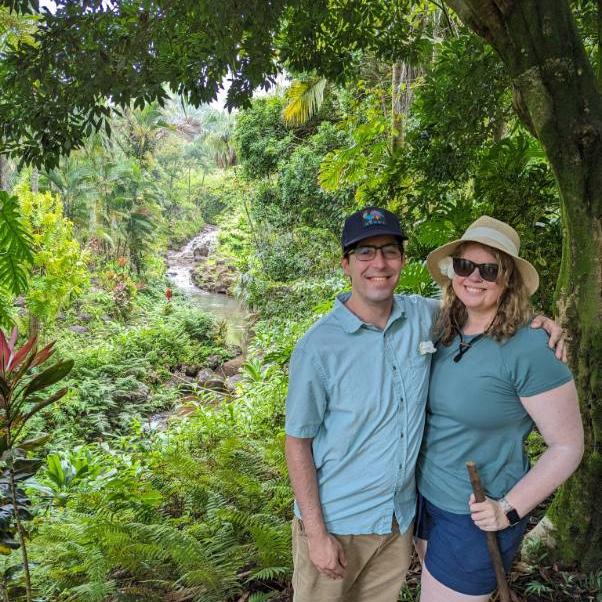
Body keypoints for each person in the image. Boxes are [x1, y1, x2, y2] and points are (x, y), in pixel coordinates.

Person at [285, 208, 564, 602]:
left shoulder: (424, 316)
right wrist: (316, 535)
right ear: (346, 264)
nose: (379, 263)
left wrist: (540, 324)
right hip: (338, 522)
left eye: (389, 251)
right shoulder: (317, 347)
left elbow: (485, 311)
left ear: (402, 260)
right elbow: (297, 442)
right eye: (365, 252)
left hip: (399, 521)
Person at [415, 216, 584, 602]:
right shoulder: (442, 326)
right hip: (425, 500)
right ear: (453, 272)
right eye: (464, 266)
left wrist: (508, 509)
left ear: (508, 279)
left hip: (476, 516)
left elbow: (568, 446)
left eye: (488, 270)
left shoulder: (531, 347)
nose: (474, 277)